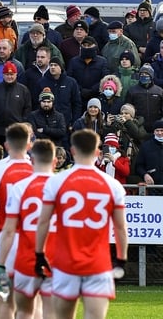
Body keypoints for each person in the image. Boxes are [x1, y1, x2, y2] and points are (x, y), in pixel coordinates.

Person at [35, 129, 128, 319]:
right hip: (98, 264)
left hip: (64, 263)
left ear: (73, 151)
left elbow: (43, 221)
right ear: (97, 152)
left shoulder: (56, 181)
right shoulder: (112, 185)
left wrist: (39, 253)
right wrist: (121, 259)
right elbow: (120, 227)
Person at [0, 139, 56, 319]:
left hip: (26, 258)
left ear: (32, 160)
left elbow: (8, 230)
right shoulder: (64, 185)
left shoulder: (20, 188)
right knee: (51, 312)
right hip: (56, 259)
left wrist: (0, 263)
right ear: (54, 162)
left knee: (24, 311)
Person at [0, 122, 33, 319]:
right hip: (34, 241)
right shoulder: (38, 169)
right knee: (31, 305)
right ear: (29, 144)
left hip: (6, 242)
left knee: (4, 300)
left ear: (7, 145)